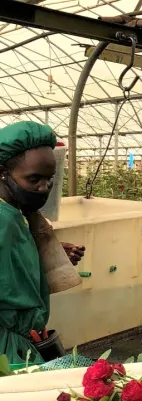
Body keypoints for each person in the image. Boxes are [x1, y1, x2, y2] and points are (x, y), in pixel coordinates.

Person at [0, 121, 84, 365]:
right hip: (8, 347)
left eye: (49, 179)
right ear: (3, 172)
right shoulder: (4, 221)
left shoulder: (18, 214)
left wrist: (42, 259)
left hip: (22, 339)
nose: (43, 187)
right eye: (34, 179)